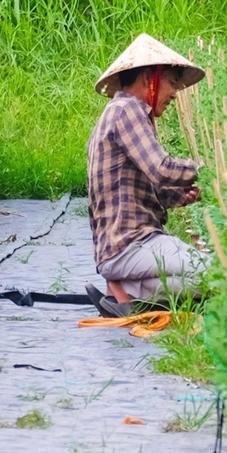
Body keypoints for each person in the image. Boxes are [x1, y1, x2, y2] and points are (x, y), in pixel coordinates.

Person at [86, 34, 207, 311]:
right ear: (149, 78)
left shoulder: (120, 113)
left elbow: (149, 188)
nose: (176, 94)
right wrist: (210, 169)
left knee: (213, 278)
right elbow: (162, 169)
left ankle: (126, 290)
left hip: (128, 247)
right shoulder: (127, 110)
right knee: (218, 274)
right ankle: (124, 288)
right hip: (131, 245)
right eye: (173, 84)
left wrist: (185, 196)